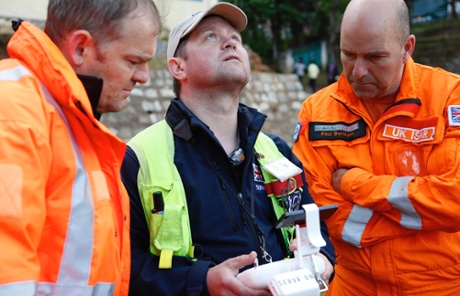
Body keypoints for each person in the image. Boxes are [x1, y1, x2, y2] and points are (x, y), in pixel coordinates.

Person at [121, 2, 336, 295]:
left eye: (236, 38)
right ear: (177, 67)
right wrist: (203, 281)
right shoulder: (139, 157)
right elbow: (126, 267)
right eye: (211, 36)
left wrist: (324, 260)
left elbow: (313, 228)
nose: (230, 42)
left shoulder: (276, 150)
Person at [292, 0, 460, 295]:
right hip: (352, 286)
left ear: (407, 47)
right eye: (348, 54)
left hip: (440, 286)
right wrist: (418, 222)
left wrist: (354, 183)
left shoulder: (450, 97)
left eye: (375, 57)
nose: (357, 72)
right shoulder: (316, 112)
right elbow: (316, 211)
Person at [0, 0, 161, 295]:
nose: (143, 77)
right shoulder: (13, 113)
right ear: (80, 49)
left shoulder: (75, 122)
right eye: (133, 61)